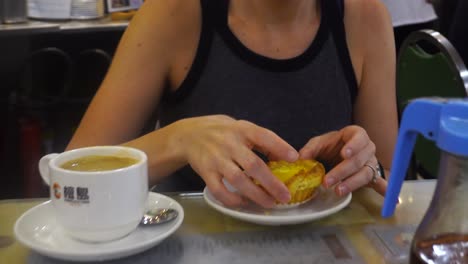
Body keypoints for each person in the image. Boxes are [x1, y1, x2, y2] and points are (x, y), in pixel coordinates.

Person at [66, 0, 398, 209]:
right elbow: (70, 180)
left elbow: (388, 178)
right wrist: (178, 140)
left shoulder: (365, 17)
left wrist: (357, 165)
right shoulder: (171, 14)